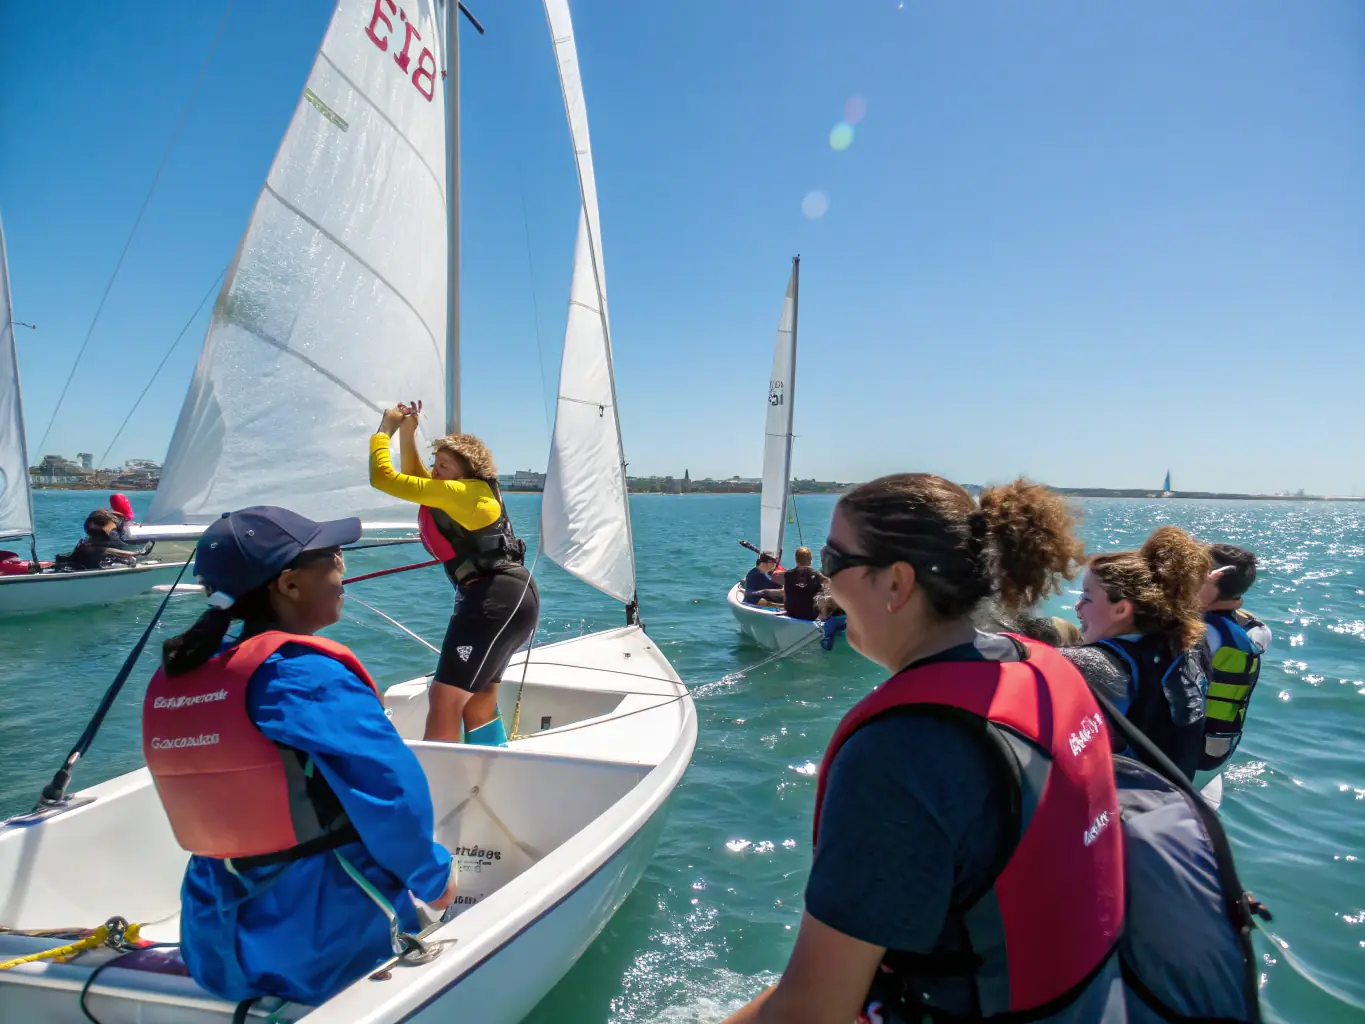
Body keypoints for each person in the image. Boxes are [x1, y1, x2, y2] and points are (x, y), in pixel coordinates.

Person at [721, 475, 1259, 1024]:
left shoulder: (901, 751)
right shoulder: (1051, 670)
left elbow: (811, 1009)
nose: (826, 584)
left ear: (896, 583)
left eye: (835, 560)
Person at [141, 506, 457, 1007]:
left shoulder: (188, 673)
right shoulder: (303, 678)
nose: (343, 568)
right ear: (288, 585)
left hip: (215, 939)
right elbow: (392, 794)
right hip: (323, 941)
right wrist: (436, 879)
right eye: (333, 557)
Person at [368, 400, 538, 745]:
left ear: (466, 472)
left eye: (444, 466)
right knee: (478, 701)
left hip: (494, 599)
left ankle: (437, 789)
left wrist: (384, 429)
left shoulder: (464, 493)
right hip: (510, 597)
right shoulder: (462, 491)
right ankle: (489, 769)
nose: (435, 472)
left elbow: (383, 478)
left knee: (445, 699)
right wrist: (409, 433)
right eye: (436, 463)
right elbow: (419, 479)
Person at [1065, 526, 1211, 781]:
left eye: (1086, 597)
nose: (1077, 607)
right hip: (1174, 798)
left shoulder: (1096, 665)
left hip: (1125, 808)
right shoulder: (1190, 645)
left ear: (1121, 609)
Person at [1198, 543, 1271, 776]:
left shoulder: (1205, 635)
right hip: (1219, 749)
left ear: (1212, 579)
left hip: (1188, 752)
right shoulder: (1248, 627)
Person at [62, 507, 149, 570]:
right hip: (82, 564)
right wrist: (136, 553)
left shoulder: (87, 543)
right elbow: (107, 549)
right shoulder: (89, 545)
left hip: (79, 562)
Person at [781, 546, 826, 621]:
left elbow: (785, 595)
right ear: (810, 560)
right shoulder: (817, 575)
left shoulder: (788, 574)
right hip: (810, 616)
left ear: (796, 560)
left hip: (791, 613)